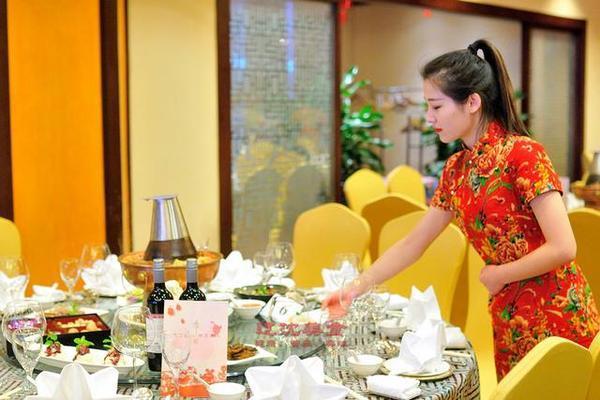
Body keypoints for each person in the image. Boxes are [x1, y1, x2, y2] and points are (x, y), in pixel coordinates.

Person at [323, 39, 600, 380]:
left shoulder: (523, 154)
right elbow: (413, 244)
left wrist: (499, 274)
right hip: (508, 314)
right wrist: (355, 287)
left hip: (556, 311)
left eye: (436, 107)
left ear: (472, 102)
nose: (429, 117)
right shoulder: (457, 169)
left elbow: (564, 247)